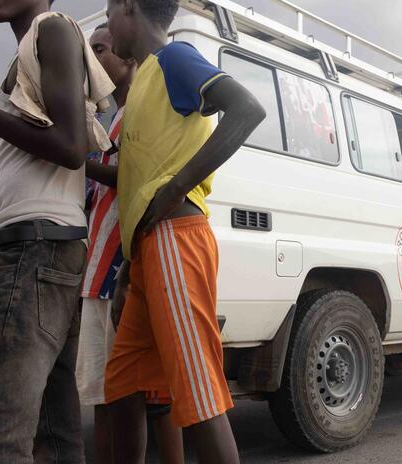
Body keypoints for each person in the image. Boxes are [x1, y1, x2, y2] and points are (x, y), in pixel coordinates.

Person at [0, 0, 115, 461]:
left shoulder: (51, 29)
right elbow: (39, 177)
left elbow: (69, 149)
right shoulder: (37, 46)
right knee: (53, 432)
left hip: (34, 253)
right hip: (47, 247)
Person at [102, 0, 266, 462]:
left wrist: (177, 187)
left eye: (109, 11)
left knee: (198, 394)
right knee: (124, 385)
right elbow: (138, 180)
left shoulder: (174, 58)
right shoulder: (144, 82)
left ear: (130, 7)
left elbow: (247, 110)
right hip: (147, 252)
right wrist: (130, 268)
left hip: (176, 239)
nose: (106, 24)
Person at [78, 23, 184, 464]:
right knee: (109, 396)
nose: (93, 58)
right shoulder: (108, 120)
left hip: (124, 268)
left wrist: (75, 159)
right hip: (100, 270)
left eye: (99, 48)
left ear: (126, 57)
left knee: (152, 399)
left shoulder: (139, 115)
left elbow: (133, 179)